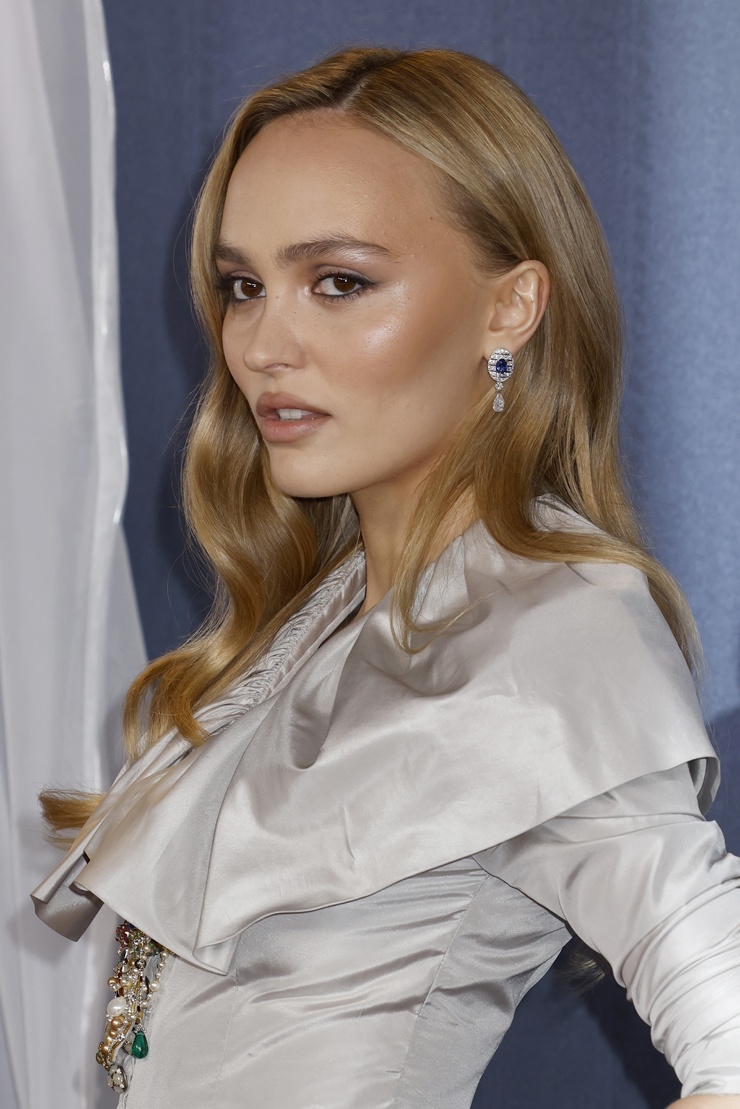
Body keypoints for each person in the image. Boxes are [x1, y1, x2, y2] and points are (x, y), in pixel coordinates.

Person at [32, 46, 740, 1108]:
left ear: (510, 308)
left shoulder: (553, 626)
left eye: (339, 282)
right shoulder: (315, 622)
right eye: (243, 287)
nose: (261, 345)